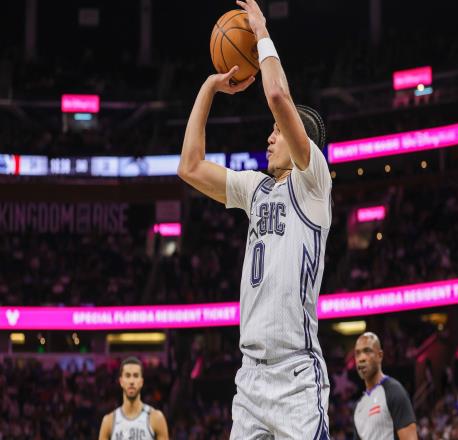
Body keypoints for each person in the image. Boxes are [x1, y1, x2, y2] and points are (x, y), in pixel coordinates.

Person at [177, 0, 332, 437]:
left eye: (278, 131)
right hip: (250, 378)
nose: (269, 136)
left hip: (296, 375)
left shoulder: (314, 182)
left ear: (302, 141)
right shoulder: (256, 189)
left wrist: (261, 32)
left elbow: (278, 96)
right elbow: (190, 166)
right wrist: (208, 88)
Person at [353, 332, 417, 440]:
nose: (361, 358)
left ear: (380, 356)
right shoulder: (358, 407)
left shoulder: (395, 391)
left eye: (367, 351)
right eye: (357, 353)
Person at [98, 356, 169, 440]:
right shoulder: (108, 421)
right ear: (121, 381)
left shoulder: (156, 418)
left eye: (135, 376)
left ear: (141, 381)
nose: (131, 381)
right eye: (127, 376)